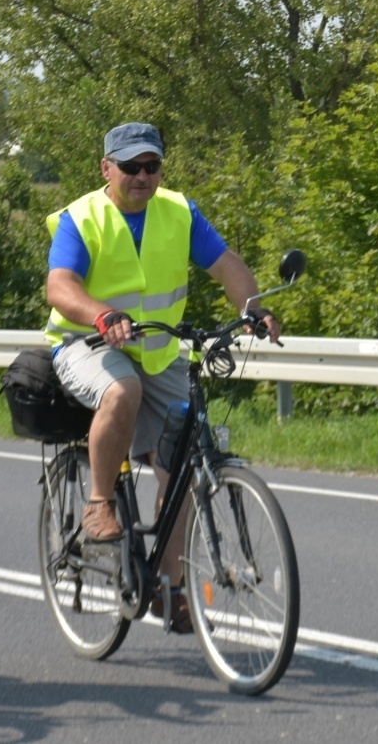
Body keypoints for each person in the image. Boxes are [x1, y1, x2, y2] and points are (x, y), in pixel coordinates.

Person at [44, 122, 281, 633]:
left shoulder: (178, 211)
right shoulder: (82, 218)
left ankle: (172, 590)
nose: (142, 176)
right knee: (121, 390)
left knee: (185, 466)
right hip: (87, 345)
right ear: (106, 168)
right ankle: (99, 504)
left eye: (151, 166)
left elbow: (226, 265)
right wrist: (101, 313)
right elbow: (60, 287)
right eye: (130, 167)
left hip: (158, 352)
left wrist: (253, 309)